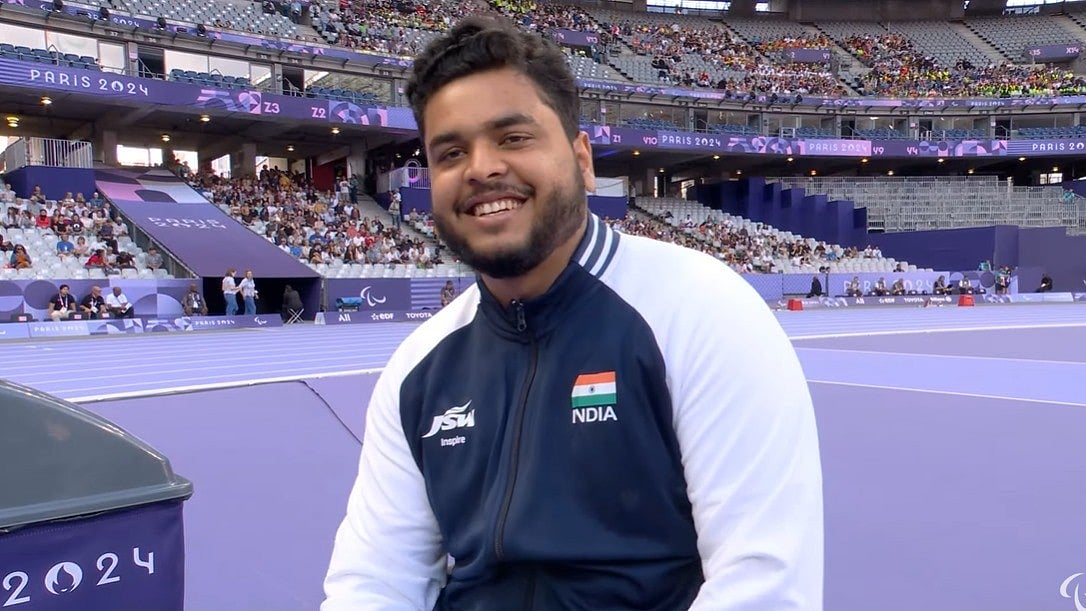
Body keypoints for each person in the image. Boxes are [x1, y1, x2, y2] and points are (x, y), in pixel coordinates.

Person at [322, 16, 822, 611]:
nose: (481, 168)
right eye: (451, 152)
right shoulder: (417, 369)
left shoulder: (703, 311)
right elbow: (374, 582)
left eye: (513, 138)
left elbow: (764, 585)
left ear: (583, 160)